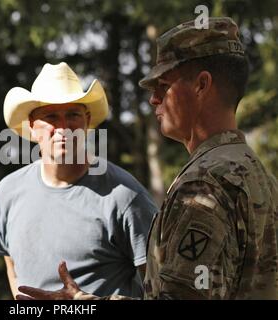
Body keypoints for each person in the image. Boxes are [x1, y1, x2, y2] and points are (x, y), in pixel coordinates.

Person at [17, 17, 278, 300]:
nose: (154, 98)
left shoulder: (205, 183)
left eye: (163, 84)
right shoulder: (257, 175)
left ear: (201, 85)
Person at [0, 62, 157, 298]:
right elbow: (12, 266)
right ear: (32, 126)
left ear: (87, 121)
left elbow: (165, 288)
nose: (63, 128)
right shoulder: (7, 192)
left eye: (72, 115)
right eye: (51, 116)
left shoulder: (125, 196)